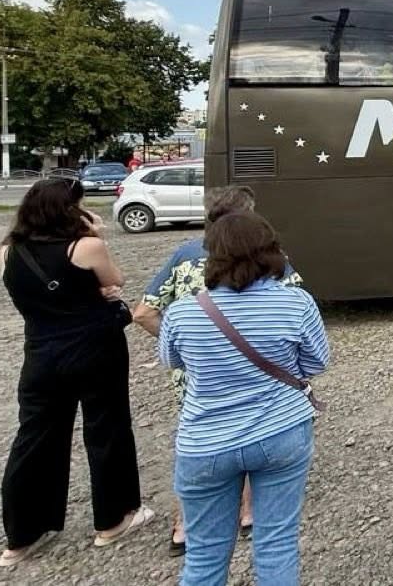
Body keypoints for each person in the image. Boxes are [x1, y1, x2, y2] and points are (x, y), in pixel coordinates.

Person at [133, 185, 304, 555]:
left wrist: (185, 350)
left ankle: (185, 527)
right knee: (258, 433)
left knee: (200, 444)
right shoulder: (270, 259)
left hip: (199, 377)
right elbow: (298, 310)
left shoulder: (184, 256)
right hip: (262, 376)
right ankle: (248, 512)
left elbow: (143, 312)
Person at [160, 211, 329, 586]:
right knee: (277, 543)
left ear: (212, 254)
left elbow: (173, 361)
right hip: (282, 431)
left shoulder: (182, 312)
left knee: (203, 557)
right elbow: (316, 362)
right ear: (271, 251)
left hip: (204, 442)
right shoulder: (296, 303)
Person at [0, 178, 153, 567]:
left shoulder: (9, 251)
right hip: (94, 348)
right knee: (106, 428)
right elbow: (115, 280)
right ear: (68, 209)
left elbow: (38, 295)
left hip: (40, 353)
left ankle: (21, 537)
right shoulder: (85, 246)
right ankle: (113, 520)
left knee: (34, 437)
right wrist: (96, 235)